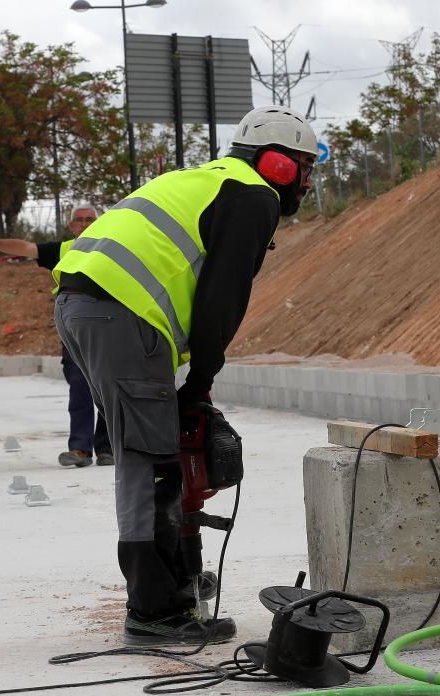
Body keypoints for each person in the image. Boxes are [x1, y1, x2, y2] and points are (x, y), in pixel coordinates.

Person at [52, 106, 318, 646]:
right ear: (280, 165)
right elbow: (223, 299)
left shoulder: (206, 179)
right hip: (122, 314)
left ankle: (175, 587)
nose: (307, 182)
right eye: (306, 168)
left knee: (156, 451)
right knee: (150, 462)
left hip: (87, 308)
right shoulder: (253, 196)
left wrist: (190, 391)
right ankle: (155, 611)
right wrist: (200, 383)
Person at [0, 205, 113, 468]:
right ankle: (80, 449)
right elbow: (26, 248)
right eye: (79, 220)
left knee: (108, 388)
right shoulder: (63, 251)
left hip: (109, 328)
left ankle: (107, 448)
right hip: (74, 330)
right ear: (71, 226)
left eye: (90, 219)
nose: (84, 224)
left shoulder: (113, 247)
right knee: (80, 388)